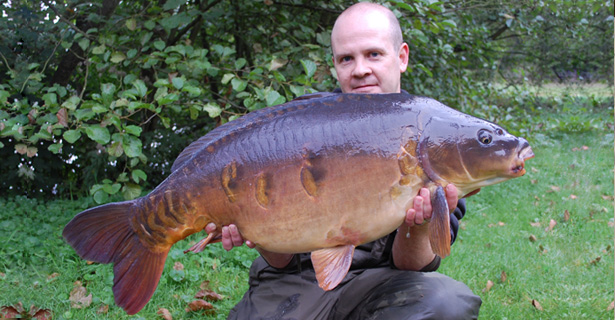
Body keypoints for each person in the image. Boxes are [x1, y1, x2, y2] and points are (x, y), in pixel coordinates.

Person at [221, 3, 482, 319]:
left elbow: (411, 265)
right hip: (294, 280)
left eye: (373, 54)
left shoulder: (435, 138)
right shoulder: (302, 130)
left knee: (446, 302)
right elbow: (282, 261)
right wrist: (253, 227)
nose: (360, 69)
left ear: (401, 57)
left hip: (382, 283)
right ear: (335, 65)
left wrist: (421, 221)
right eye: (347, 58)